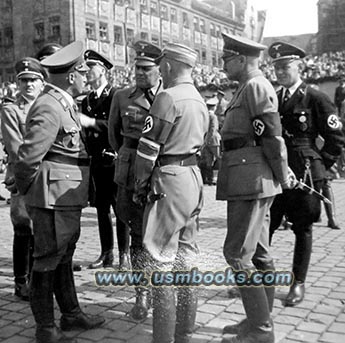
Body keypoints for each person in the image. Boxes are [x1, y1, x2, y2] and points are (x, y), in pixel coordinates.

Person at [14, 41, 104, 343]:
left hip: (63, 196)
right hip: (51, 198)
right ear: (70, 76)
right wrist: (31, 193)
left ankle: (71, 314)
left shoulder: (62, 102)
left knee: (63, 256)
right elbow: (28, 158)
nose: (86, 77)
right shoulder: (50, 105)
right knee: (46, 260)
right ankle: (45, 328)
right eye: (82, 72)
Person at [216, 33, 294, 343]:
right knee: (259, 253)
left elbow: (272, 137)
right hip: (247, 177)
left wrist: (282, 173)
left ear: (240, 59)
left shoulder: (256, 86)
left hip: (251, 180)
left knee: (236, 254)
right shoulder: (247, 88)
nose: (223, 65)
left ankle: (261, 330)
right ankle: (258, 320)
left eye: (226, 59)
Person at [132, 42, 209, 343]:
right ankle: (185, 334)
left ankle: (163, 338)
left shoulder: (167, 97)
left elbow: (148, 149)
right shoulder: (199, 99)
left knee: (160, 259)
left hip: (169, 177)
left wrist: (140, 184)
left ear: (168, 66)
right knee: (187, 257)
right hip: (192, 176)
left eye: (163, 63)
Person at [268, 41, 344, 307]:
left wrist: (321, 163)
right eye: (276, 67)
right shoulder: (273, 98)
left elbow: (335, 136)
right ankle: (258, 281)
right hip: (275, 173)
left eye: (285, 66)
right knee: (265, 227)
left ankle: (297, 283)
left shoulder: (314, 97)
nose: (280, 71)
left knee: (303, 228)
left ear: (298, 67)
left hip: (305, 173)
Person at [108, 40, 162, 320]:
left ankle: (161, 290)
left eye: (146, 68)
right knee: (138, 234)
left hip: (163, 173)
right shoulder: (122, 96)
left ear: (159, 69)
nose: (140, 73)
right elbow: (114, 135)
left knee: (162, 233)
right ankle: (141, 295)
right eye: (137, 68)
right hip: (131, 172)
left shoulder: (171, 95)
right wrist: (129, 158)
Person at [80, 50, 130, 270]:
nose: (86, 72)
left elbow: (119, 127)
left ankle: (124, 255)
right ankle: (106, 253)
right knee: (101, 208)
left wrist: (91, 123)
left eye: (91, 67)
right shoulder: (87, 100)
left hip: (114, 158)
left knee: (119, 209)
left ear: (103, 70)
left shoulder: (116, 95)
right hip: (97, 161)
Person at [1, 58, 45, 301]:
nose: (29, 85)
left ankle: (36, 277)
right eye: (24, 80)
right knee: (22, 227)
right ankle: (20, 281)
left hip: (45, 174)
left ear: (41, 82)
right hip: (21, 174)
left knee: (42, 228)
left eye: (33, 80)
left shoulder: (46, 105)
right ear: (17, 83)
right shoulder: (11, 109)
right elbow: (15, 147)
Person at [199, 96, 221, 185]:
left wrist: (205, 141)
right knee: (219, 158)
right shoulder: (213, 116)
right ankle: (219, 178)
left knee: (209, 161)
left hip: (206, 141)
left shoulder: (205, 115)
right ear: (214, 107)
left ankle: (209, 178)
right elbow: (213, 129)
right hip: (214, 140)